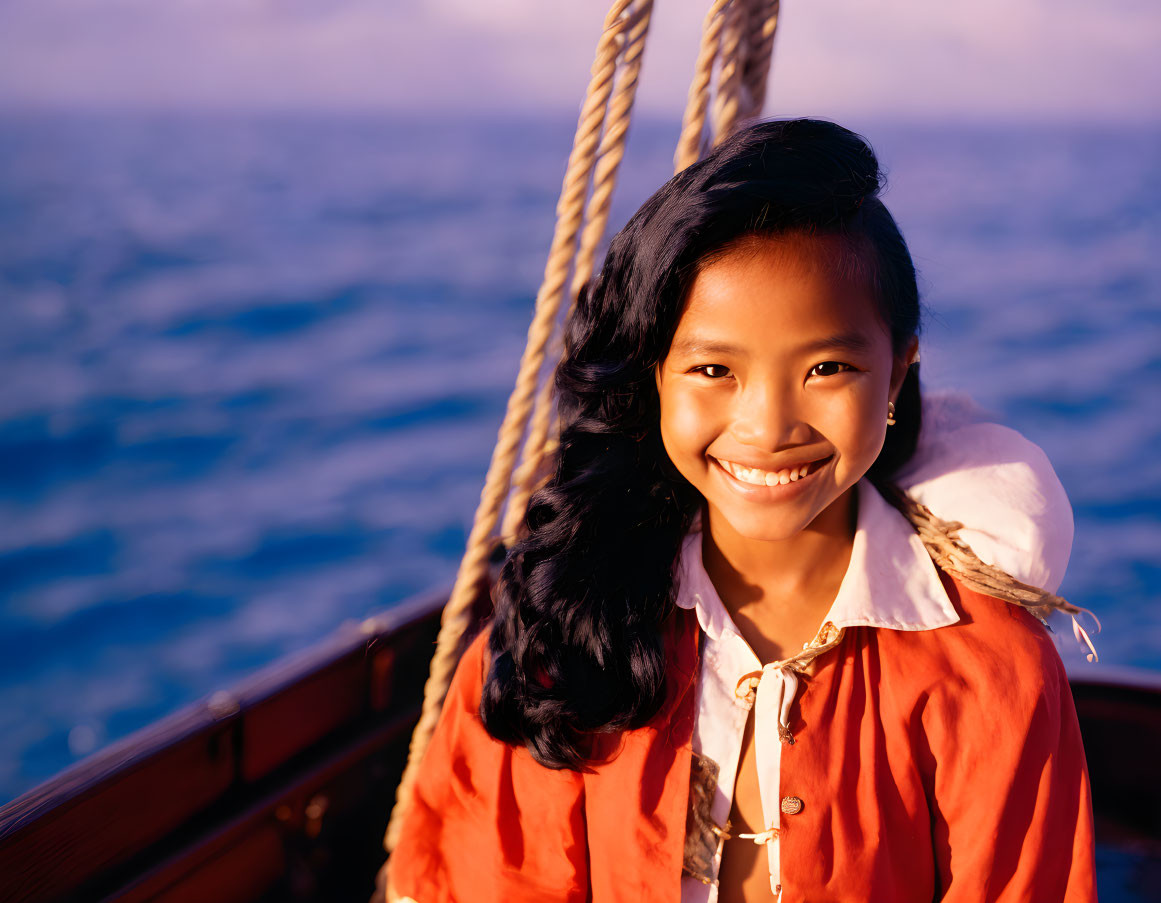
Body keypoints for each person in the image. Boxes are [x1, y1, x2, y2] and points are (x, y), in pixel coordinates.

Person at [384, 118, 1098, 902]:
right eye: (714, 368)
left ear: (896, 373)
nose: (768, 427)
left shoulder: (992, 673)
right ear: (654, 375)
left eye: (827, 366)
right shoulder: (563, 633)